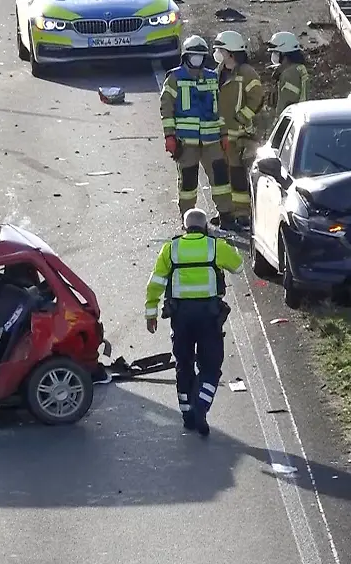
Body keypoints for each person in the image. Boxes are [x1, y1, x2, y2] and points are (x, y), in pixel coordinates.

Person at [144, 208, 244, 436]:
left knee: (184, 364)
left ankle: (187, 414)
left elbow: (155, 284)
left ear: (184, 227)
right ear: (206, 226)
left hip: (181, 318)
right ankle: (201, 406)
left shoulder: (171, 249)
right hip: (209, 317)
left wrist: (151, 314)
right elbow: (238, 267)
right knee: (211, 366)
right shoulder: (214, 246)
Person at [160, 36, 235, 230]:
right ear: (185, 56)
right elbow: (166, 108)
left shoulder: (212, 77)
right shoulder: (174, 78)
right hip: (186, 142)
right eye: (193, 55)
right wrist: (169, 136)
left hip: (212, 140)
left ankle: (226, 216)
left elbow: (220, 109)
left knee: (220, 180)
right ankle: (188, 220)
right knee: (188, 183)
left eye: (200, 55)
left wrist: (224, 134)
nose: (197, 59)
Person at [213, 31, 264, 230]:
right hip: (220, 133)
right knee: (222, 175)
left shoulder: (247, 73)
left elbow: (257, 98)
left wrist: (240, 118)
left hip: (240, 135)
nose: (217, 53)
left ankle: (243, 213)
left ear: (231, 52)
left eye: (221, 49)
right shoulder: (218, 72)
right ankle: (227, 211)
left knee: (238, 174)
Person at [266, 31, 310, 115]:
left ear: (284, 54)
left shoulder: (289, 74)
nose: (273, 55)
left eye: (276, 52)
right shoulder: (299, 68)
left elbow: (285, 105)